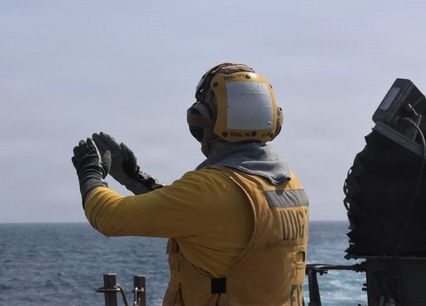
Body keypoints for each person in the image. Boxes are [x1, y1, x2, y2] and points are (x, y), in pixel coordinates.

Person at [71, 63, 308, 305]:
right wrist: (136, 179)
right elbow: (203, 213)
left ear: (201, 119)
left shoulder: (207, 189)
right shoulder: (289, 183)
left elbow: (109, 217)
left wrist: (89, 173)